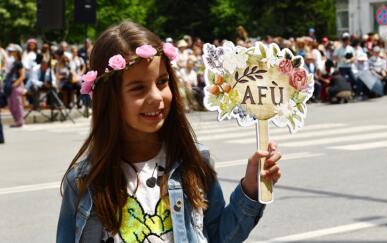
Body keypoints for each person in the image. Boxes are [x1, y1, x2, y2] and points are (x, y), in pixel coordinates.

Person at [56, 21, 282, 243]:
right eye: (138, 88)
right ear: (109, 98)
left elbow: (218, 236)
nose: (156, 96)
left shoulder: (193, 161)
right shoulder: (84, 181)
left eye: (162, 82)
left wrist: (251, 188)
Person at [5, 44, 25, 127]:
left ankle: (19, 121)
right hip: (10, 85)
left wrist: (15, 84)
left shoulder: (19, 63)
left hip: (16, 85)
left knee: (17, 104)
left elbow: (22, 76)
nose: (10, 52)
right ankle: (16, 120)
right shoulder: (12, 62)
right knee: (10, 105)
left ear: (17, 52)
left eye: (12, 51)